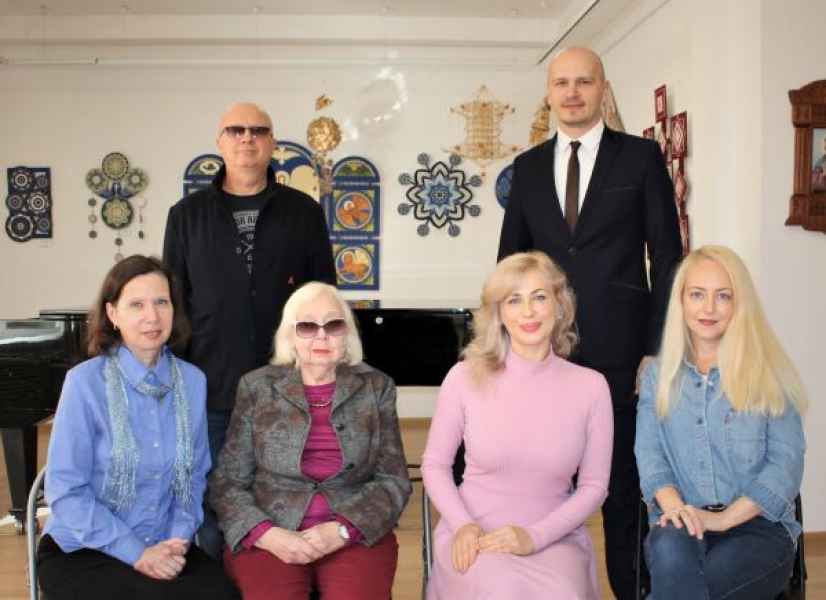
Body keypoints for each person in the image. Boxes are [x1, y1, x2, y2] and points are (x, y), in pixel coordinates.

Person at [497, 46, 683, 599]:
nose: (572, 93)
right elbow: (510, 265)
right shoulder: (528, 168)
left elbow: (667, 257)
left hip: (622, 353)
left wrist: (656, 345)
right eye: (562, 83)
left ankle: (633, 592)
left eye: (584, 82)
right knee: (544, 487)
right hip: (542, 354)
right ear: (549, 94)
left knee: (623, 491)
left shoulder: (641, 158)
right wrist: (506, 349)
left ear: (603, 88)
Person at [162, 102, 337, 556]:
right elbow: (173, 304)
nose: (247, 138)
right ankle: (218, 583)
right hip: (211, 389)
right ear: (219, 142)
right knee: (216, 506)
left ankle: (280, 579)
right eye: (235, 130)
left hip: (288, 389)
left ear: (272, 142)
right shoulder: (186, 216)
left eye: (258, 130)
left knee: (289, 498)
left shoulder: (303, 212)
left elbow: (324, 297)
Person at [36, 255, 239, 600]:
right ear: (113, 313)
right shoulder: (84, 383)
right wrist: (137, 553)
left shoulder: (193, 381)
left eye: (161, 302)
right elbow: (66, 493)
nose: (152, 316)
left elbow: (194, 477)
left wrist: (177, 539)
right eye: (136, 304)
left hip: (164, 543)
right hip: (85, 548)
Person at [421, 251, 613, 599]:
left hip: (554, 536)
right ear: (498, 313)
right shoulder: (463, 378)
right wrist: (464, 525)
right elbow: (434, 465)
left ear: (559, 305)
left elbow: (594, 486)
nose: (528, 312)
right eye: (514, 300)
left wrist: (534, 537)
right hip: (475, 532)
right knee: (500, 589)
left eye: (539, 297)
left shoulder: (592, 387)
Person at [209, 282, 412, 600]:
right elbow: (227, 482)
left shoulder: (377, 388)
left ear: (347, 334)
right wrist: (266, 534)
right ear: (290, 335)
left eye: (333, 325)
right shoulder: (256, 387)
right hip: (272, 530)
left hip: (353, 532)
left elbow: (394, 480)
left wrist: (343, 529)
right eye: (307, 326)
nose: (321, 336)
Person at [635, 245, 807, 599]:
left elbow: (785, 466)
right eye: (697, 294)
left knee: (706, 579)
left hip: (759, 528)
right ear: (681, 301)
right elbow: (651, 458)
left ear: (740, 303)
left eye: (723, 296)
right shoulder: (656, 378)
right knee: (672, 557)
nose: (709, 308)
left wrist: (723, 520)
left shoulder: (770, 374)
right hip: (680, 522)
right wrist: (679, 511)